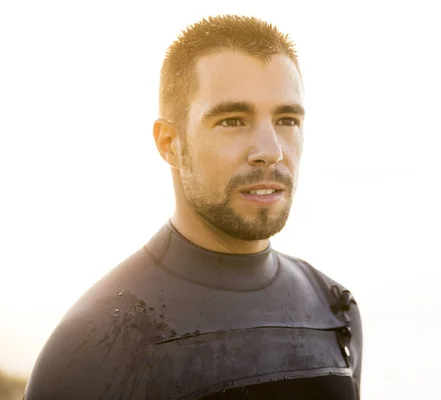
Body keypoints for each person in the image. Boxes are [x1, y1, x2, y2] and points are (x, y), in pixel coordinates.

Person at [24, 15, 362, 399]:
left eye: (287, 119)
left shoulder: (335, 309)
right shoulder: (94, 346)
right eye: (233, 120)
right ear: (169, 142)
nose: (270, 151)